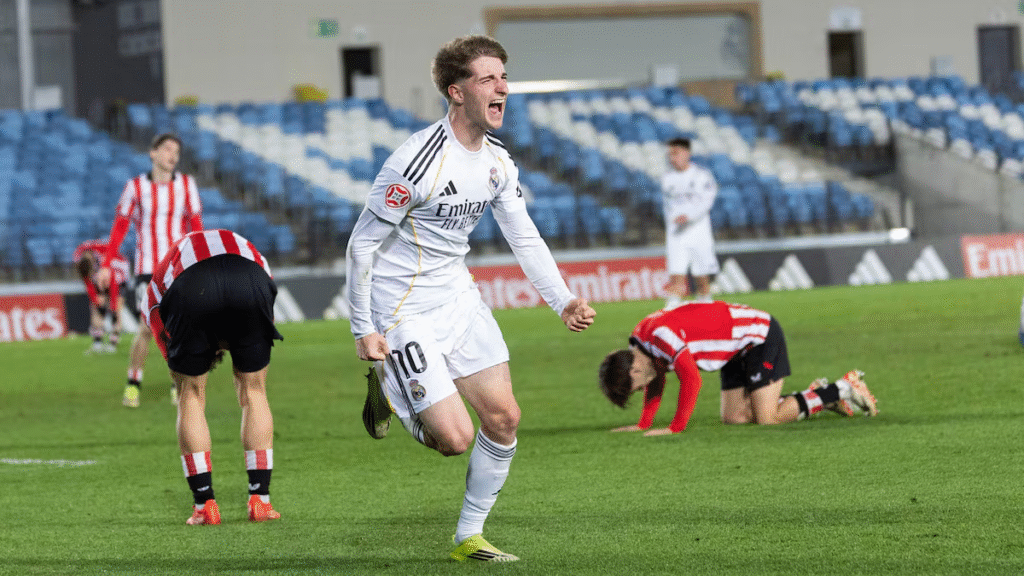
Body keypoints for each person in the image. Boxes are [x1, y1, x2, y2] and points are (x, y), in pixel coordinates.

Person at [347, 35, 596, 563]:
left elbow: (523, 235)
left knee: (504, 418)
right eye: (488, 79)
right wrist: (362, 328)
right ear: (457, 92)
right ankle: (395, 390)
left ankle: (468, 536)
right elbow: (361, 245)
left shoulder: (499, 162)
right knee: (454, 439)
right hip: (403, 312)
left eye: (503, 76)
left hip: (458, 300)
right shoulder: (415, 161)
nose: (502, 87)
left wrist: (563, 300)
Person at [143, 228, 283, 526]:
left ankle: (204, 504)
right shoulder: (246, 245)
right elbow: (267, 291)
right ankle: (260, 500)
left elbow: (160, 327)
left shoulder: (162, 271)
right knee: (254, 390)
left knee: (190, 394)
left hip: (191, 287)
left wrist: (189, 367)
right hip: (251, 279)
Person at [598, 300, 878, 435]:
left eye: (635, 388)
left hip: (759, 336)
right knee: (735, 418)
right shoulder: (642, 342)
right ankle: (813, 398)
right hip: (732, 351)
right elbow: (656, 376)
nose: (642, 389)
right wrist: (643, 424)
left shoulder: (659, 336)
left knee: (766, 418)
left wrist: (674, 428)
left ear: (634, 370)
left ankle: (841, 389)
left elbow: (692, 380)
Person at [100, 132, 203, 408]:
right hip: (148, 268)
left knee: (178, 329)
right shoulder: (134, 187)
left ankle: (177, 383)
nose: (173, 156)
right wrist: (107, 264)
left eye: (177, 152)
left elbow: (196, 225)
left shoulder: (186, 185)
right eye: (167, 149)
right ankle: (133, 383)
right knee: (147, 328)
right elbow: (120, 227)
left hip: (179, 267)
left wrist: (201, 260)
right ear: (153, 153)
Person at [660, 137, 719, 306]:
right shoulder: (667, 178)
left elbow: (706, 202)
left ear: (687, 153)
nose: (672, 158)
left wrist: (689, 216)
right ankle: (671, 308)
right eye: (670, 154)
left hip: (698, 232)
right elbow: (669, 207)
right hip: (677, 234)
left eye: (676, 153)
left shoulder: (702, 176)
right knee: (676, 273)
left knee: (701, 276)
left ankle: (706, 306)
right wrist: (675, 220)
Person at [74, 239, 129, 354]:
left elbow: (114, 284)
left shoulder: (105, 261)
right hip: (102, 274)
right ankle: (97, 343)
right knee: (96, 308)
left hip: (118, 275)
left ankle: (113, 343)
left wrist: (113, 306)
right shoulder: (80, 259)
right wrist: (96, 300)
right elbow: (87, 280)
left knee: (116, 309)